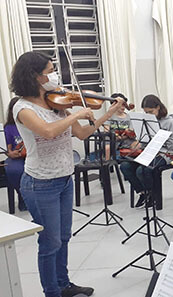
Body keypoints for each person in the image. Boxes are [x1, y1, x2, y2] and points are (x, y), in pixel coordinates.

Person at [10, 51, 125, 297]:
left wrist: (108, 113)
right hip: (40, 183)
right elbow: (47, 132)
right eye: (49, 71)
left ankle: (63, 285)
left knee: (63, 237)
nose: (54, 75)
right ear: (35, 76)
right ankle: (51, 292)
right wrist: (76, 113)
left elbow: (82, 134)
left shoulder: (58, 102)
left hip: (64, 179)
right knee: (50, 243)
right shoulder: (23, 108)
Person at [120, 94, 173, 207]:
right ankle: (143, 193)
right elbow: (144, 139)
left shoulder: (170, 122)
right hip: (149, 152)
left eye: (151, 111)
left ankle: (153, 195)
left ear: (158, 107)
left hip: (165, 154)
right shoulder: (146, 120)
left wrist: (158, 140)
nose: (149, 115)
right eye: (146, 112)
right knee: (125, 166)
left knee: (142, 170)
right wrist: (138, 144)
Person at [4, 97, 27, 211]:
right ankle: (22, 195)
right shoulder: (8, 127)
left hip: (31, 154)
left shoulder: (30, 122)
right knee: (14, 170)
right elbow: (8, 148)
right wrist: (11, 153)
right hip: (16, 156)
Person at [103, 93, 134, 160]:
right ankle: (107, 163)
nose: (123, 107)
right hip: (113, 139)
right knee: (107, 146)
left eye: (124, 105)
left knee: (135, 145)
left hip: (125, 139)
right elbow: (106, 130)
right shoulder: (109, 116)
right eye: (120, 105)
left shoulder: (129, 117)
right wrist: (115, 136)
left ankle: (130, 161)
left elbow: (131, 130)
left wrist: (126, 135)